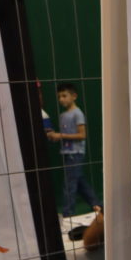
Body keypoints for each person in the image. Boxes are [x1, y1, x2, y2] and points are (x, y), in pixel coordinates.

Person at [47, 82, 100, 219]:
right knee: (80, 183)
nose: (61, 99)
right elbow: (65, 135)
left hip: (75, 154)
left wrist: (60, 135)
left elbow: (82, 135)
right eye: (59, 97)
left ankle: (68, 215)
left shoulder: (78, 114)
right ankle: (97, 205)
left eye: (64, 95)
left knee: (69, 186)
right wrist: (55, 136)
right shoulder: (63, 115)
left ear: (74, 96)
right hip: (67, 153)